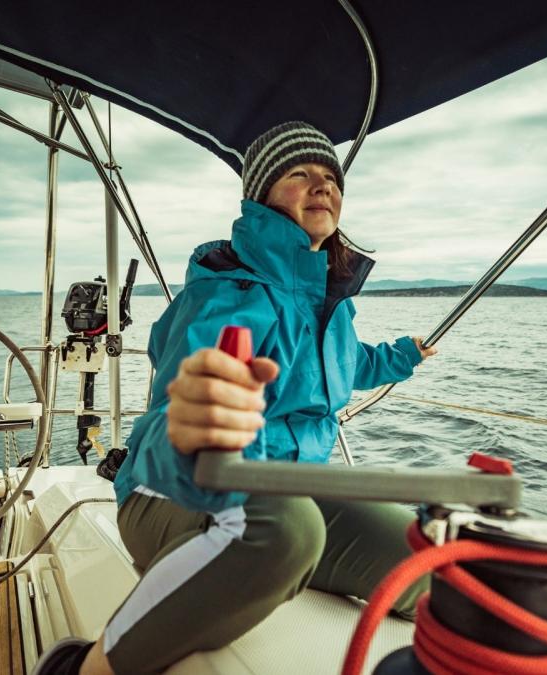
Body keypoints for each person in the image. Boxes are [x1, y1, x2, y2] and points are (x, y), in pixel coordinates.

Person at [33, 121, 437, 675]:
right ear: (261, 195)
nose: (322, 186)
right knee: (288, 526)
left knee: (428, 560)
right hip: (173, 493)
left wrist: (402, 355)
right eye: (300, 173)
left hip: (294, 489)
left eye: (330, 177)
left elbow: (346, 364)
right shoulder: (222, 293)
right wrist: (192, 420)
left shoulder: (331, 300)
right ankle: (83, 667)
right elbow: (172, 415)